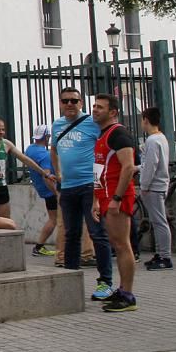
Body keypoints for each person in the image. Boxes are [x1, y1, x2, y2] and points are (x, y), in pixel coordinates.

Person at [50, 87, 115, 301]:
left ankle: (105, 282)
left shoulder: (91, 123)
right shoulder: (57, 125)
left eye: (74, 101)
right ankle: (70, 280)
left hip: (89, 185)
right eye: (65, 101)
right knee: (71, 234)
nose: (69, 104)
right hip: (68, 187)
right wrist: (57, 171)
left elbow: (107, 143)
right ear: (60, 103)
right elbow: (54, 149)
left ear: (81, 103)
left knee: (97, 233)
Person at [91, 94, 139, 312]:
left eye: (100, 107)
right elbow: (99, 171)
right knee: (117, 244)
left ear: (113, 112)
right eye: (94, 106)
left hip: (116, 197)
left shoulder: (118, 134)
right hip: (105, 196)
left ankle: (127, 295)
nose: (95, 110)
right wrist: (96, 200)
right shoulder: (103, 135)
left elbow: (128, 167)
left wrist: (116, 199)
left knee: (122, 245)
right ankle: (122, 289)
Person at [0, 118, 55, 220]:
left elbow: (25, 159)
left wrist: (43, 173)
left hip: (0, 187)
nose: (1, 132)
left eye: (3, 129)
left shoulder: (6, 144)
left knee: (6, 220)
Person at [139, 107, 173, 271]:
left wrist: (144, 185)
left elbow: (151, 165)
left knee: (159, 222)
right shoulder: (161, 138)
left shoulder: (152, 141)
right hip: (159, 184)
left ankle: (165, 256)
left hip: (154, 186)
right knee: (158, 221)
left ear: (146, 120)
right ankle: (160, 254)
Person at [23, 126, 58, 256]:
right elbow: (47, 176)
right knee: (55, 220)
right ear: (47, 137)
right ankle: (39, 247)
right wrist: (57, 193)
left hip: (42, 190)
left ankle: (39, 247)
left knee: (54, 219)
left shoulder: (30, 149)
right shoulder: (45, 155)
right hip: (50, 191)